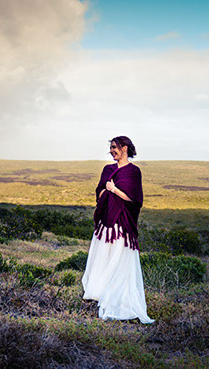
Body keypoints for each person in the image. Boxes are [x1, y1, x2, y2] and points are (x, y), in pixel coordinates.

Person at [81, 136, 155, 324]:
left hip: (122, 224)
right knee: (104, 257)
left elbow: (134, 199)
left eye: (114, 147)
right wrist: (106, 191)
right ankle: (101, 293)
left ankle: (119, 301)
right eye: (111, 148)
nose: (111, 151)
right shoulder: (108, 169)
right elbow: (99, 193)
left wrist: (113, 190)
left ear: (125, 148)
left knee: (119, 257)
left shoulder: (133, 172)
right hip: (106, 223)